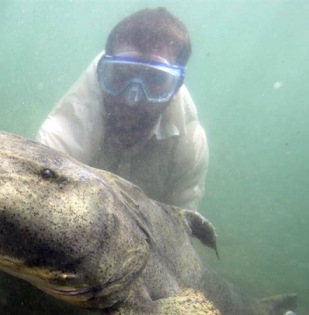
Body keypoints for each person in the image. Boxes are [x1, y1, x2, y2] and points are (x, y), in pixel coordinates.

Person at [36, 7, 208, 210]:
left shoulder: (188, 142)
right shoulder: (70, 122)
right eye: (120, 75)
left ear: (176, 87)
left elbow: (181, 227)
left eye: (154, 79)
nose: (132, 99)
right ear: (102, 73)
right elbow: (40, 204)